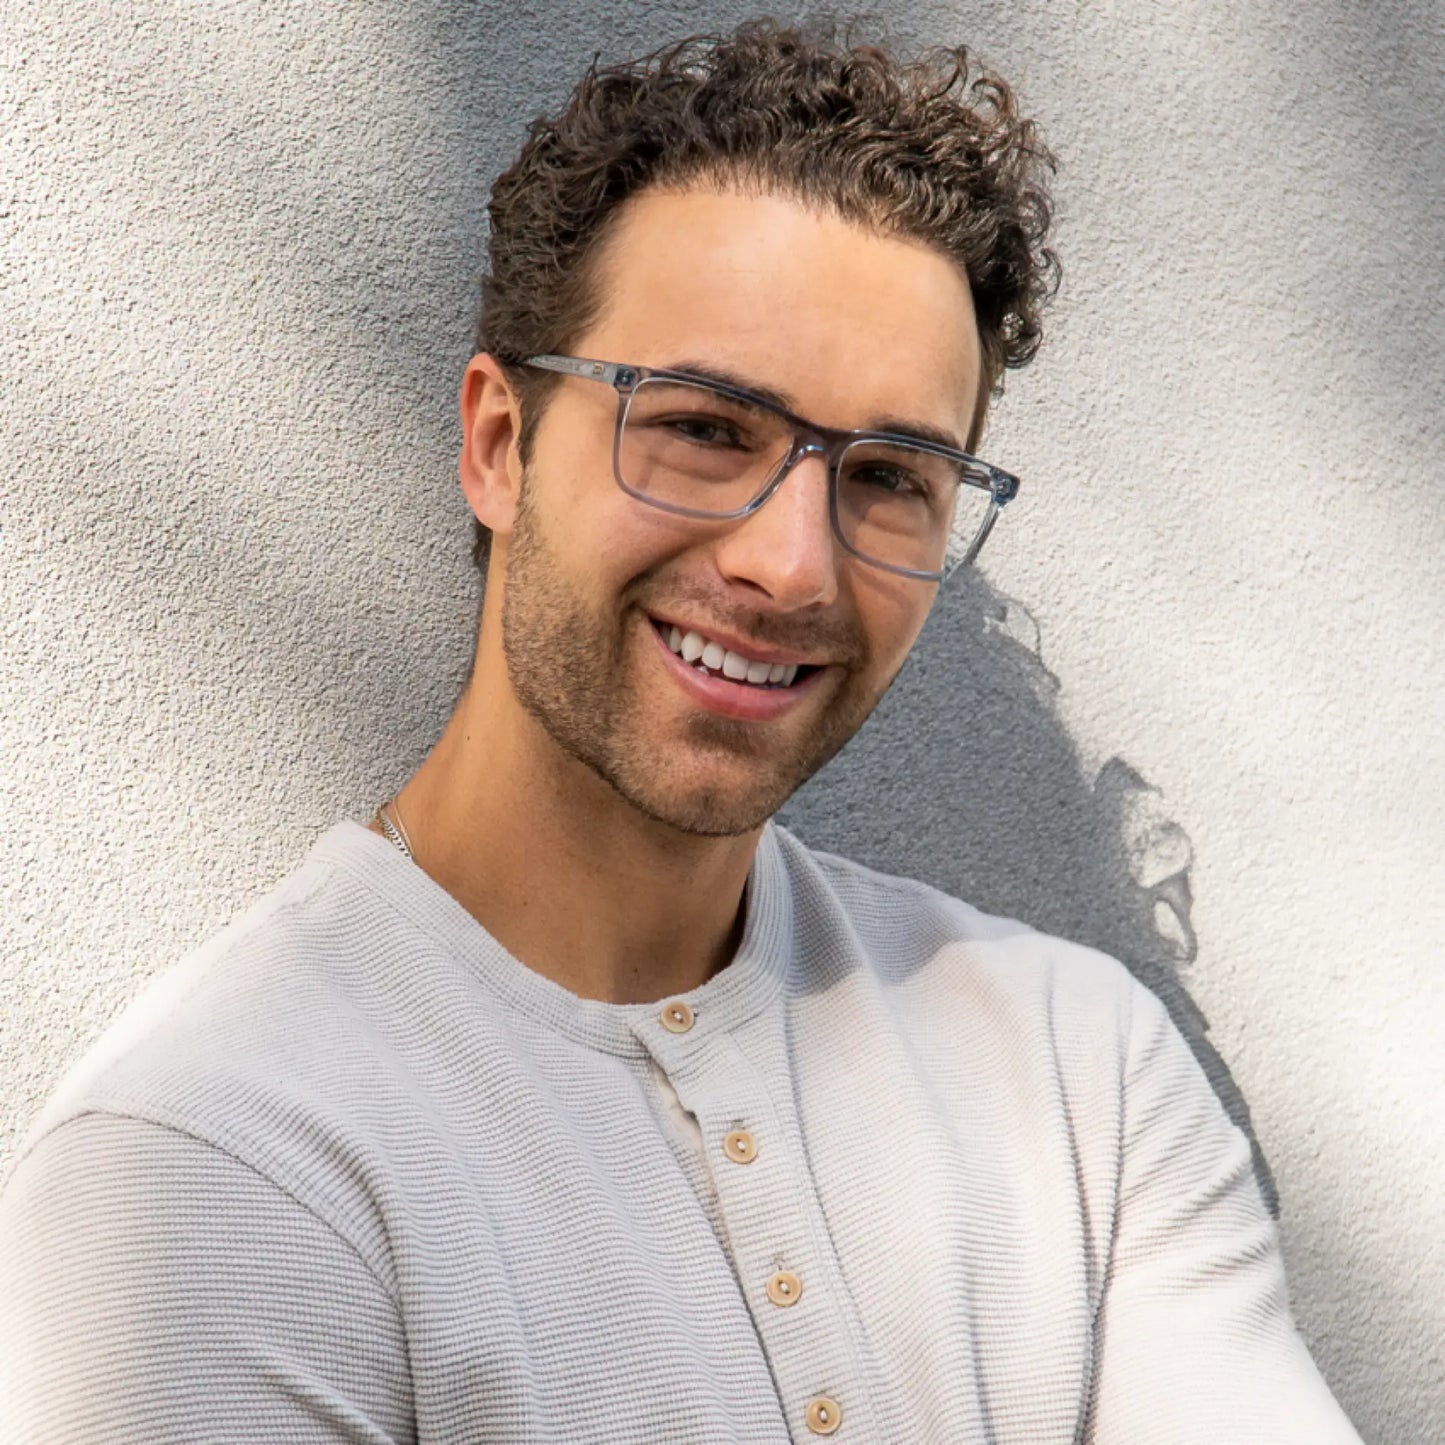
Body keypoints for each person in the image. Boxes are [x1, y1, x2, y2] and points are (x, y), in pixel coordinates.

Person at [0, 20, 1362, 1444]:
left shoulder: (1077, 1079)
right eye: (707, 427)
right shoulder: (220, 1163)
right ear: (499, 446)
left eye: (890, 474)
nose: (793, 566)